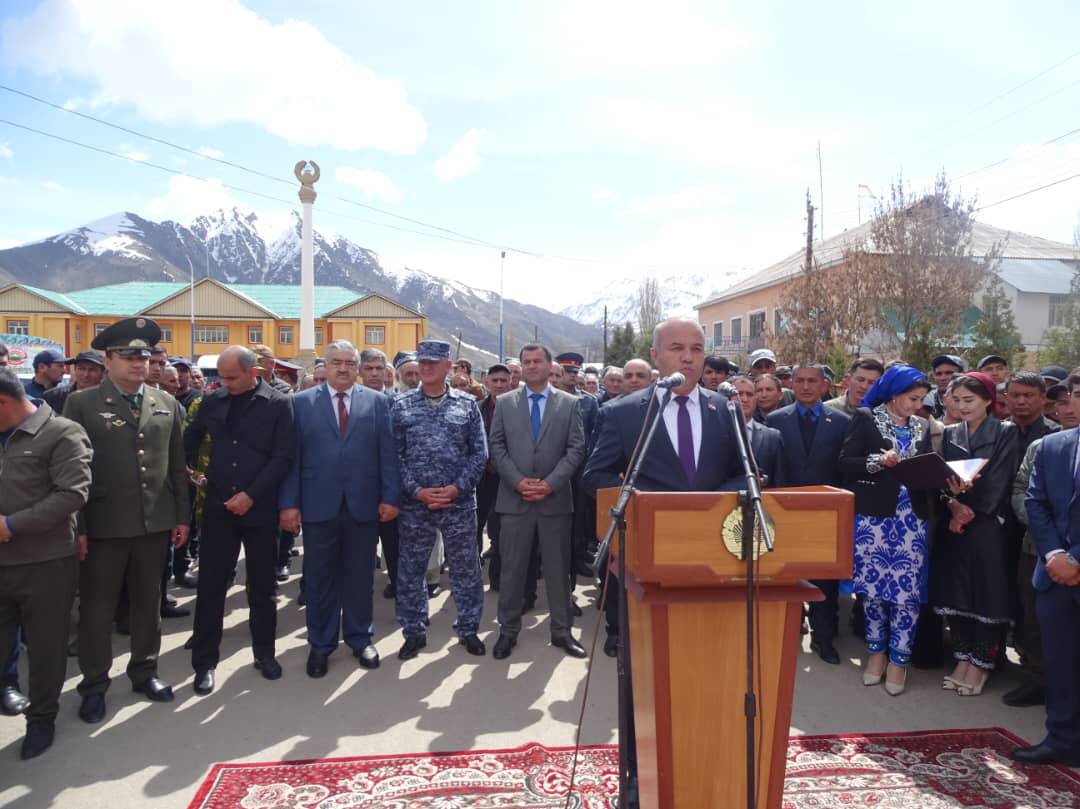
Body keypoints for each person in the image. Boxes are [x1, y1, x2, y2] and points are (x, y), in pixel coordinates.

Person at [583, 318, 744, 801]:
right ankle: (638, 776)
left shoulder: (724, 410)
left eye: (697, 348)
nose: (689, 357)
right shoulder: (625, 412)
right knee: (645, 680)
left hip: (715, 567)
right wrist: (658, 509)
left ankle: (705, 764)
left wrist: (711, 505)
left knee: (707, 675)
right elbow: (596, 477)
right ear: (657, 357)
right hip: (648, 566)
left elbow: (744, 475)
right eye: (677, 348)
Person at [64, 317, 189, 724]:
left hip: (154, 523)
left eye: (145, 355)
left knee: (146, 603)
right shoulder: (82, 403)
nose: (139, 363)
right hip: (103, 525)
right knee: (98, 610)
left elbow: (176, 466)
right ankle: (95, 684)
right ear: (108, 359)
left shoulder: (166, 403)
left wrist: (182, 516)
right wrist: (78, 527)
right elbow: (73, 471)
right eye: (129, 356)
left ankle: (144, 670)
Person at [280, 340, 400, 676]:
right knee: (320, 579)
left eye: (350, 362)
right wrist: (288, 504)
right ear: (327, 365)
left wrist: (391, 497)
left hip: (363, 506)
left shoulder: (377, 403)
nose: (344, 368)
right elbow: (292, 460)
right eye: (337, 362)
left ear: (358, 367)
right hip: (318, 506)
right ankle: (321, 644)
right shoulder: (301, 403)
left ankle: (361, 638)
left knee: (361, 577)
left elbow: (387, 455)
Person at [183, 347, 295, 695]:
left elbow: (283, 457)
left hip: (259, 510)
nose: (224, 383)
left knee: (262, 587)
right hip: (218, 508)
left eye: (231, 377)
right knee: (211, 587)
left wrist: (251, 495)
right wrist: (189, 474)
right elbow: (188, 442)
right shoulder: (212, 402)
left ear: (253, 373)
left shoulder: (277, 404)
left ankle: (265, 653)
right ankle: (204, 663)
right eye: (221, 376)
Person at [0, 367, 93, 759]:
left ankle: (41, 719)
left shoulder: (61, 432)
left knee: (45, 649)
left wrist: (10, 526)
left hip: (45, 563)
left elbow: (72, 494)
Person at [390, 339, 488, 660]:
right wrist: (417, 490)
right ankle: (414, 630)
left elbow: (479, 454)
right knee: (411, 569)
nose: (427, 367)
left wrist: (456, 488)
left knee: (466, 569)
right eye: (423, 361)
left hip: (458, 504)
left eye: (434, 362)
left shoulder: (467, 405)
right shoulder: (401, 406)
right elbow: (394, 456)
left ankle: (469, 628)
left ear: (449, 366)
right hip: (415, 504)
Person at [839, 365, 933, 696]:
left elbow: (927, 466)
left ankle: (899, 661)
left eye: (921, 399)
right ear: (894, 393)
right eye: (911, 398)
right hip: (875, 519)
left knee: (906, 596)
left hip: (912, 521)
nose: (916, 406)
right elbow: (845, 462)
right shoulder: (866, 418)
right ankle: (876, 655)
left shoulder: (923, 426)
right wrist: (878, 460)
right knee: (874, 592)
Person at [489, 343, 587, 659]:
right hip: (514, 500)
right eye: (526, 361)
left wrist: (549, 484)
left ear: (549, 366)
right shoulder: (504, 403)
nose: (531, 366)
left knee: (558, 570)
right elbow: (497, 447)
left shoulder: (570, 404)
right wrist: (518, 482)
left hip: (554, 501)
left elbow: (576, 449)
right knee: (512, 570)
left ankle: (561, 631)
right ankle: (507, 630)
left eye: (537, 361)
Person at [932, 372, 1018, 696]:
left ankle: (981, 663)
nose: (963, 406)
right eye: (957, 400)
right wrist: (953, 506)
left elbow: (999, 481)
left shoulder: (1004, 432)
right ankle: (962, 657)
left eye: (970, 400)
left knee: (987, 594)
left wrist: (969, 512)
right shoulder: (949, 433)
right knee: (958, 594)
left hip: (988, 524)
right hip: (955, 523)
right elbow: (940, 479)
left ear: (987, 400)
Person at [1012, 372, 1080, 766]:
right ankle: (1062, 738)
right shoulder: (1053, 446)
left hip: (1069, 566)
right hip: (1052, 575)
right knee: (1060, 661)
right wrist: (1055, 554)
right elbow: (1035, 501)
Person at [767, 364, 852, 664]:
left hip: (825, 514)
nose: (805, 386)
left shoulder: (841, 422)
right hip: (784, 511)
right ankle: (786, 635)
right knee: (786, 577)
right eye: (799, 381)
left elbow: (843, 471)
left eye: (811, 381)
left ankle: (823, 638)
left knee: (824, 580)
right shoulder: (775, 419)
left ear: (824, 385)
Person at [1004, 436, 1047, 709]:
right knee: (1033, 617)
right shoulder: (1043, 446)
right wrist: (1042, 525)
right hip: (1036, 545)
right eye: (1074, 394)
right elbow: (1021, 489)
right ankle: (1037, 680)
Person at [477, 364, 512, 590]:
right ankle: (471, 575)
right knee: (474, 527)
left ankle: (498, 576)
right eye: (495, 380)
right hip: (480, 478)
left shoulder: (517, 408)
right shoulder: (476, 407)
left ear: (510, 383)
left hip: (507, 478)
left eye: (503, 381)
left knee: (502, 530)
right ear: (487, 382)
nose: (499, 385)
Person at [730, 375, 786, 487]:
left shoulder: (772, 436)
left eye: (749, 394)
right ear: (729, 398)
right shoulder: (717, 433)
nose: (744, 399)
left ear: (756, 398)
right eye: (739, 394)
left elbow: (779, 480)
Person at [926, 354, 966, 419]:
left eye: (949, 373)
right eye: (938, 374)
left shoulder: (973, 398)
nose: (943, 378)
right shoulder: (926, 399)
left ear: (962, 374)